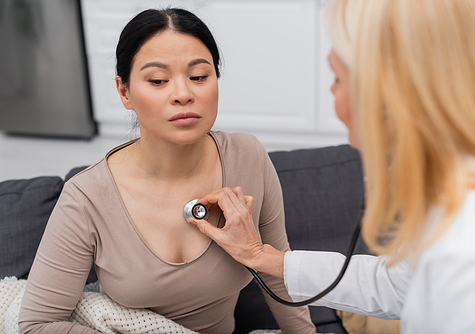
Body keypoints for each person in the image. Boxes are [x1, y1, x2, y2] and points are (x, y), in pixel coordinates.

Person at [191, 0, 475, 333]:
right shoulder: (455, 201)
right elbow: (395, 286)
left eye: (338, 78)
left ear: (389, 95)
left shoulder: (472, 247)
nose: (332, 92)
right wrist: (261, 255)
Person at [18, 8, 315, 334]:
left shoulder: (248, 157)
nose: (183, 94)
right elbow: (37, 324)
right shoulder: (87, 197)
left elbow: (276, 270)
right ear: (124, 92)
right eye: (158, 80)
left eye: (199, 76)